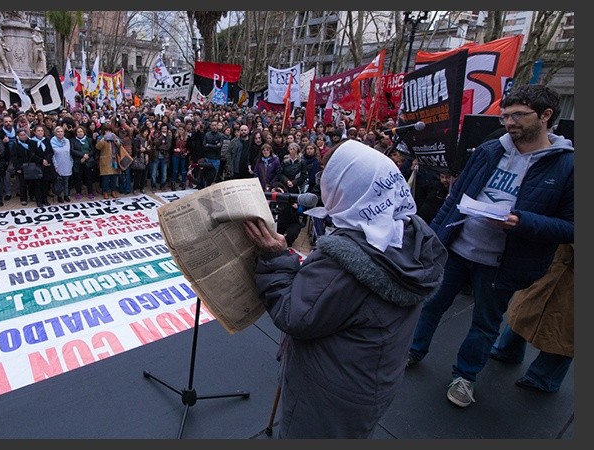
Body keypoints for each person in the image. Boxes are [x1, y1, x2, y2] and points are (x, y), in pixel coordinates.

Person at [242, 139, 448, 438]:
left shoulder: (347, 261)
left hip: (326, 397)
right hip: (369, 383)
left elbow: (294, 314)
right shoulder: (410, 231)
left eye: (328, 176)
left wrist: (276, 258)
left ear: (348, 187)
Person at [405, 84, 574, 408]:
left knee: (484, 324)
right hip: (458, 249)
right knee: (431, 304)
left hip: (502, 263)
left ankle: (465, 377)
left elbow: (571, 226)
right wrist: (434, 241)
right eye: (505, 115)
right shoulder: (488, 150)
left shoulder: (567, 165)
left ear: (546, 115)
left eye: (518, 115)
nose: (509, 122)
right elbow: (455, 198)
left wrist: (522, 222)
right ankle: (413, 350)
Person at [489, 243, 573, 393]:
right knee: (525, 309)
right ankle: (508, 350)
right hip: (552, 258)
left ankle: (543, 377)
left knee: (565, 329)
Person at [95, 124, 123, 199]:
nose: (108, 132)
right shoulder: (100, 138)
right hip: (105, 160)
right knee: (105, 178)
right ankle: (105, 192)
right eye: (106, 131)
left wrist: (116, 140)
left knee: (114, 177)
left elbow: (120, 145)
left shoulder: (114, 137)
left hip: (114, 160)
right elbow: (97, 147)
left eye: (109, 131)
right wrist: (104, 139)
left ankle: (113, 191)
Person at [70, 125, 98, 199]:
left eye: (81, 131)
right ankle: (78, 192)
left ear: (84, 132)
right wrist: (82, 155)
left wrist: (87, 156)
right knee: (78, 178)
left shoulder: (89, 139)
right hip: (78, 161)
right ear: (76, 133)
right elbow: (72, 150)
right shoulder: (73, 140)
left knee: (89, 178)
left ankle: (90, 192)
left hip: (88, 161)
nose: (80, 133)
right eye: (78, 132)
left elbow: (93, 150)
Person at [50, 125, 73, 203]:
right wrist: (55, 166)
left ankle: (66, 195)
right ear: (55, 133)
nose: (60, 133)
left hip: (67, 163)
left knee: (66, 181)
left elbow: (69, 152)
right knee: (59, 181)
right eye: (58, 132)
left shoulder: (67, 141)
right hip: (58, 163)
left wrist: (71, 162)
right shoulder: (52, 141)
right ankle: (59, 196)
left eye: (61, 131)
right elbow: (53, 155)